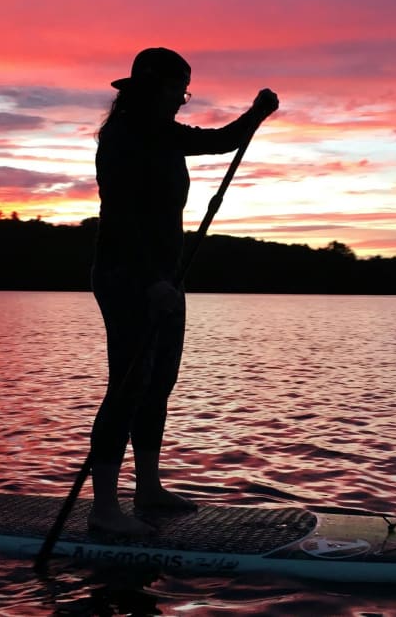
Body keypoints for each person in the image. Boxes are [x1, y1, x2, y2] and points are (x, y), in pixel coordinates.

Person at [90, 47, 279, 535]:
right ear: (152, 89)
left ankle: (148, 488)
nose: (181, 99)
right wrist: (150, 280)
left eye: (185, 92)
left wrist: (257, 114)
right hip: (128, 276)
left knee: (159, 384)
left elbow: (221, 142)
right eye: (177, 90)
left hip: (166, 279)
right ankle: (104, 509)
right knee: (128, 385)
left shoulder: (165, 134)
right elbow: (122, 218)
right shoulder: (126, 137)